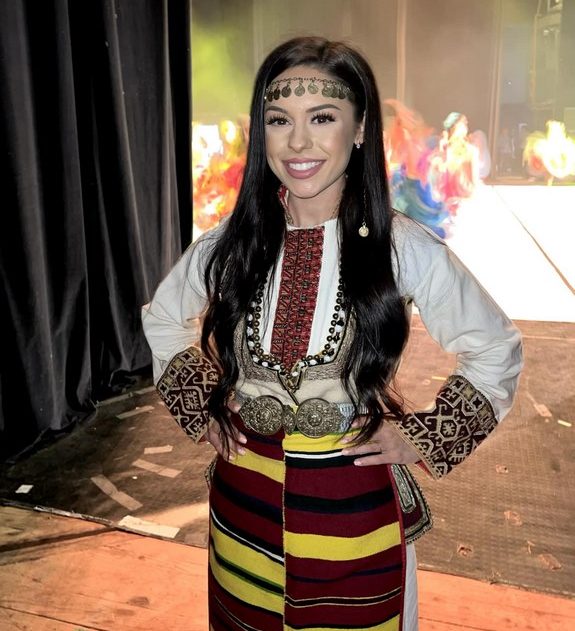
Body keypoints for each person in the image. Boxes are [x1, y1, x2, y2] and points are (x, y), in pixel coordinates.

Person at [142, 36, 523, 631]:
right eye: (279, 120)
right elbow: (163, 318)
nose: (298, 142)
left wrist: (425, 436)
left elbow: (495, 347)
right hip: (243, 505)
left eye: (322, 118)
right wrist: (203, 407)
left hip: (354, 514)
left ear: (361, 128)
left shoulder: (403, 247)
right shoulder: (230, 244)